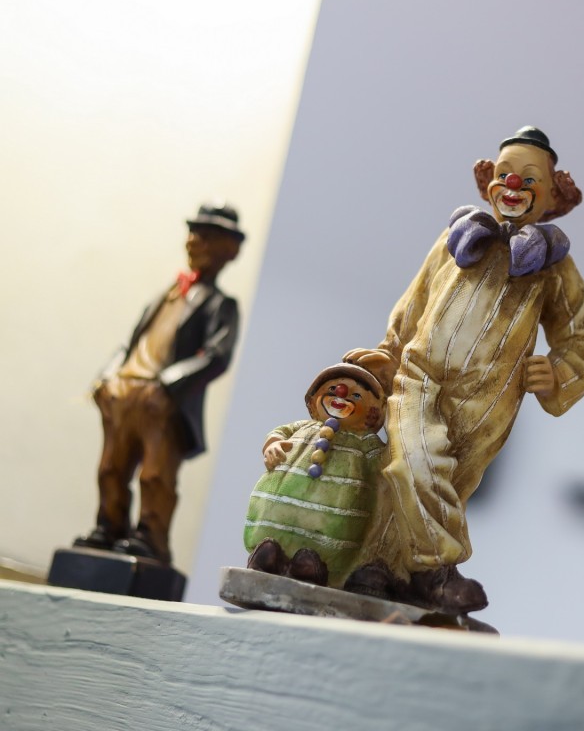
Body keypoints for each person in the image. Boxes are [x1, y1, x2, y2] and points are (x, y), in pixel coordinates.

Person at [345, 127, 584, 612]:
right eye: (505, 174)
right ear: (488, 183)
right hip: (419, 375)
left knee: (446, 480)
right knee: (411, 459)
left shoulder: (553, 267)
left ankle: (381, 567)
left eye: (529, 179)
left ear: (552, 196)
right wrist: (389, 352)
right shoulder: (455, 239)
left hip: (490, 398)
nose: (513, 185)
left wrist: (558, 372)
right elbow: (413, 304)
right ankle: (438, 568)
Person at [74, 204, 244, 564]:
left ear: (229, 249)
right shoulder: (165, 295)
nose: (194, 241)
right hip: (125, 392)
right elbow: (130, 343)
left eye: (206, 236)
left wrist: (167, 387)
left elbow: (217, 356)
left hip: (161, 403)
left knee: (156, 474)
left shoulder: (221, 304)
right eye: (194, 233)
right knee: (110, 468)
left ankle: (150, 537)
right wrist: (106, 378)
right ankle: (109, 527)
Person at [243, 363, 387, 590]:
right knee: (269, 549)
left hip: (332, 516)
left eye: (356, 395)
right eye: (332, 389)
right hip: (280, 508)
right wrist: (273, 445)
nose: (341, 395)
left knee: (312, 560)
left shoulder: (364, 442)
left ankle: (312, 565)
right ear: (313, 400)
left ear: (372, 413)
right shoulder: (303, 427)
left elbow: (384, 462)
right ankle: (269, 555)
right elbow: (279, 433)